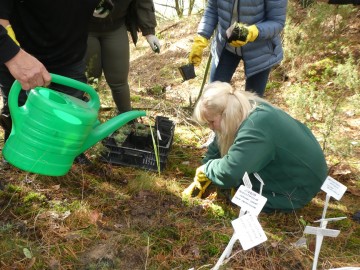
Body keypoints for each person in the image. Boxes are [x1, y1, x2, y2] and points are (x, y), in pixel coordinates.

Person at [183, 81, 328, 213]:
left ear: (225, 114)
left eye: (211, 122)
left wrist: (207, 169)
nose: (210, 127)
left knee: (239, 194)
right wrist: (206, 165)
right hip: (295, 170)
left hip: (296, 187)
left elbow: (230, 173)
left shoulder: (256, 127)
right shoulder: (244, 107)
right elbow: (219, 140)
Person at [0, 0, 113, 163]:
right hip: (22, 59)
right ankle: (17, 157)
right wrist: (14, 55)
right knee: (19, 112)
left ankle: (66, 155)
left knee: (71, 118)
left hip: (70, 58)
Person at [188, 0, 288, 97]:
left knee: (253, 103)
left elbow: (277, 21)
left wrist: (252, 32)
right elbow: (212, 9)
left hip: (260, 51)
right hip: (225, 46)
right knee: (213, 96)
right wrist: (202, 37)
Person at [86, 0, 160, 115]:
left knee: (119, 80)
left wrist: (149, 32)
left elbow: (143, 2)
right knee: (90, 77)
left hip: (115, 26)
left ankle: (127, 120)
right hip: (84, 28)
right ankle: (85, 118)